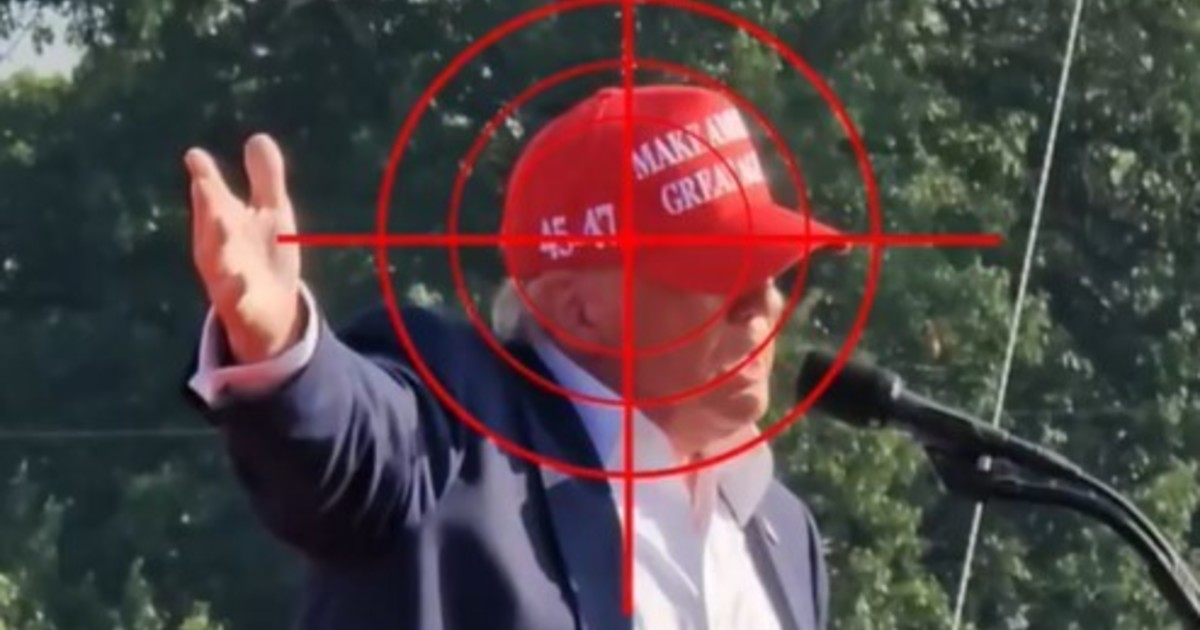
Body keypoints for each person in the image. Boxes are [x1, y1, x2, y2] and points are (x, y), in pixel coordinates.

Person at [184, 84, 841, 630]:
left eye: (772, 271)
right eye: (721, 273)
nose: (764, 304)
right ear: (579, 309)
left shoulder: (781, 532)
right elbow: (349, 444)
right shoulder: (458, 428)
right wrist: (278, 343)